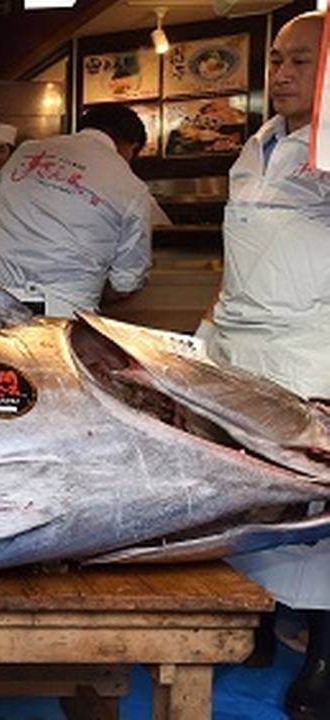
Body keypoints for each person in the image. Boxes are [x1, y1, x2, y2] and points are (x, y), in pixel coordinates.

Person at [195, 12, 330, 718]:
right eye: (276, 59)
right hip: (241, 349)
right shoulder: (256, 144)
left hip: (314, 354)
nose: (279, 72)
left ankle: (323, 656)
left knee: (314, 512)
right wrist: (208, 332)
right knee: (249, 498)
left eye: (301, 62)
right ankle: (255, 627)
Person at [0, 104, 152, 317]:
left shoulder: (25, 151)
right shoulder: (132, 187)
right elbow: (126, 282)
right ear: (132, 146)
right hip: (64, 315)